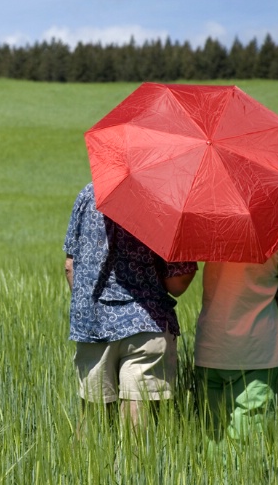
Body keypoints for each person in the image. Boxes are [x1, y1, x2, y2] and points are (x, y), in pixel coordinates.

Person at [63, 182, 197, 430]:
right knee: (137, 420)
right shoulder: (167, 200)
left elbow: (70, 266)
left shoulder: (89, 194)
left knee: (92, 424)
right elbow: (177, 283)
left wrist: (92, 305)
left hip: (94, 325)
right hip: (147, 323)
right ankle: (130, 469)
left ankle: (91, 468)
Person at [194, 238, 278, 446]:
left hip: (210, 347)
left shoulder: (212, 227)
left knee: (212, 441)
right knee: (247, 449)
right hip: (256, 354)